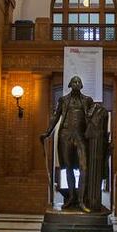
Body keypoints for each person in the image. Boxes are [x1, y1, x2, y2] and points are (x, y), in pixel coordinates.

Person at [41, 76, 94, 212]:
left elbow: (94, 119)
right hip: (65, 135)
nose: (76, 84)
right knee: (68, 167)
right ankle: (71, 197)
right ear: (70, 84)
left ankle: (81, 200)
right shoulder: (63, 100)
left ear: (81, 85)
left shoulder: (87, 100)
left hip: (80, 136)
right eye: (74, 82)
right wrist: (47, 132)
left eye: (78, 82)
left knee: (84, 167)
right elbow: (55, 116)